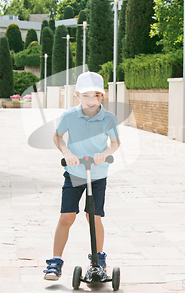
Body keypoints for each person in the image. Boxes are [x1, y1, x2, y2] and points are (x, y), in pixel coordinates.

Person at [44, 72, 120, 281]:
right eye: (85, 96)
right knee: (67, 216)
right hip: (74, 173)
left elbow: (115, 143)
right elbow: (58, 137)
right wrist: (67, 153)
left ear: (101, 97)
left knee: (93, 216)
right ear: (77, 95)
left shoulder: (108, 118)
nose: (90, 101)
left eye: (94, 96)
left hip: (98, 174)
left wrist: (105, 154)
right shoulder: (69, 116)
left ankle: (99, 259)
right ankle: (55, 261)